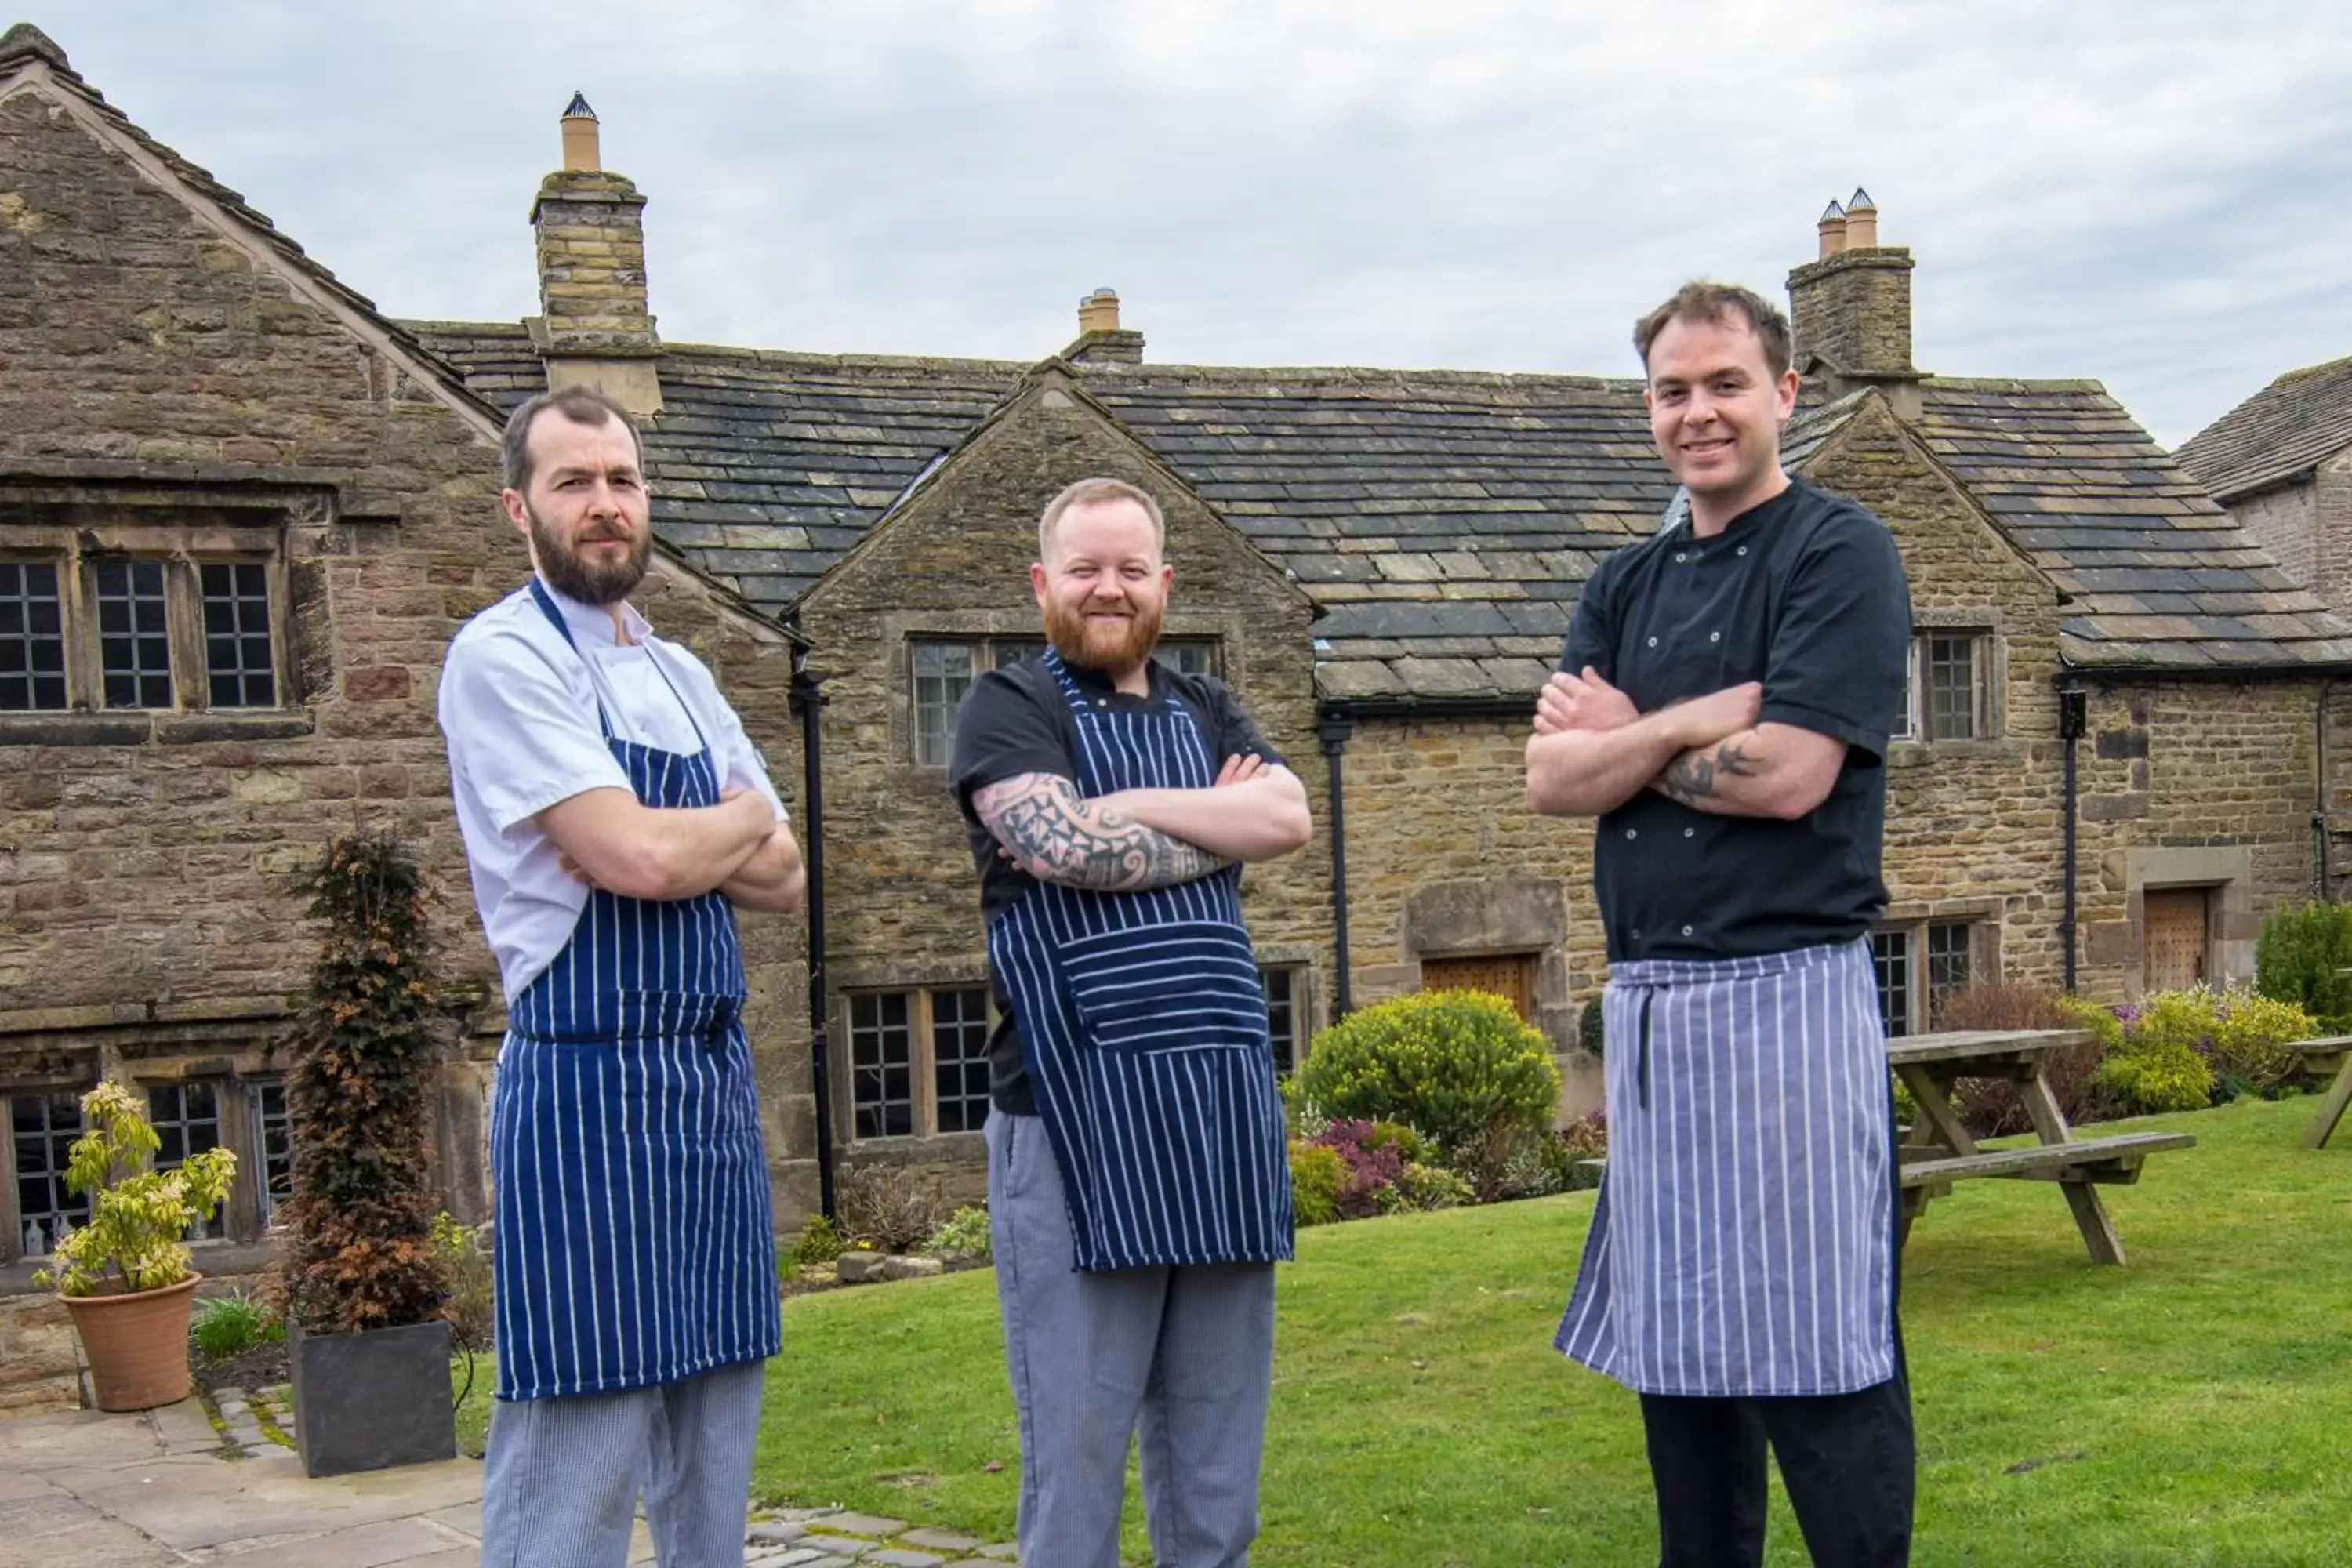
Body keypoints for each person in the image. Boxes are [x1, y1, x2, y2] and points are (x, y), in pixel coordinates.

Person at [1526, 282, 1916, 1566]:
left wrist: (1626, 740)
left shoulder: (1837, 553)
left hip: (1788, 1006)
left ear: (1786, 392)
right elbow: (1550, 782)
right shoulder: (1622, 581)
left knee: (1821, 1360)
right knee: (1679, 1368)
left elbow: (1795, 776)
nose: (1697, 413)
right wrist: (1701, 718)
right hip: (1650, 1017)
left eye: (1724, 384)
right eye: (1672, 391)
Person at [437, 385, 805, 1568]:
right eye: (573, 482)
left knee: (715, 1441)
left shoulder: (688, 674)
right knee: (577, 1452)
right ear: (519, 507)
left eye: (622, 480)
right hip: (589, 1095)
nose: (605, 506)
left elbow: (788, 876)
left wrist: (706, 836)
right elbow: (635, 856)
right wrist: (735, 814)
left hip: (708, 1086)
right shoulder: (502, 657)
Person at [948, 476, 1313, 1567]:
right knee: (1078, 1464)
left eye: (1129, 568)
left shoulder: (1207, 706)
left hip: (1220, 1113)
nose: (1108, 589)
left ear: (1165, 582)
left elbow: (1287, 814)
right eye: (1084, 568)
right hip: (1072, 1122)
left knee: (1217, 1473)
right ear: (1041, 583)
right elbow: (1060, 849)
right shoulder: (1009, 706)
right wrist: (1218, 818)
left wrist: (1131, 805)